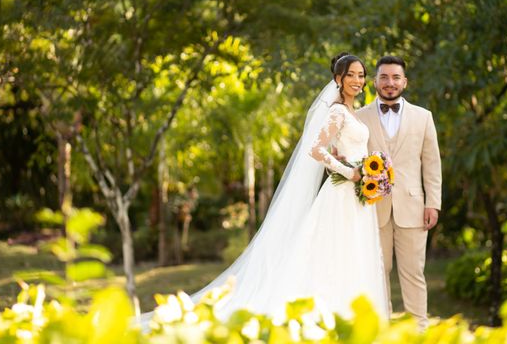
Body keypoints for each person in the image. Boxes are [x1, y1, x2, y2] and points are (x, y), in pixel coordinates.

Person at [139, 53, 388, 328]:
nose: (357, 80)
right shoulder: (337, 111)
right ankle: (321, 314)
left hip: (360, 196)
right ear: (338, 79)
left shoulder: (353, 112)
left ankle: (353, 315)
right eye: (351, 75)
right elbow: (316, 149)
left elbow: (341, 149)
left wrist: (369, 172)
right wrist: (350, 172)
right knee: (332, 252)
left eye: (361, 75)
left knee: (353, 251)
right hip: (341, 193)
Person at [356, 55, 442, 330]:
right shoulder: (359, 117)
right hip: (372, 208)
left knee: (413, 273)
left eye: (395, 78)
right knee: (377, 273)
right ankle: (381, 331)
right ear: (375, 81)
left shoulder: (423, 117)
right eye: (384, 77)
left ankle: (420, 332)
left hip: (414, 208)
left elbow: (431, 164)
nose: (390, 83)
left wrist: (433, 204)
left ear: (404, 82)